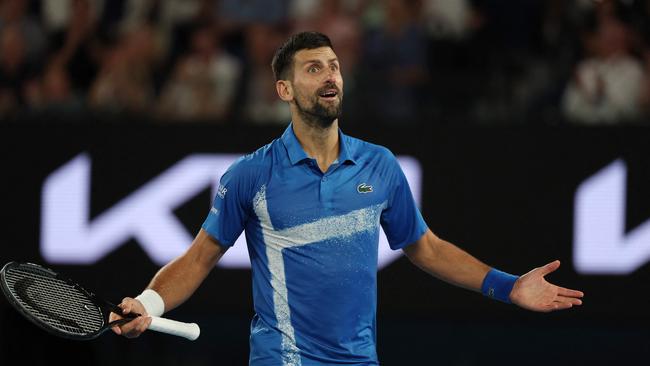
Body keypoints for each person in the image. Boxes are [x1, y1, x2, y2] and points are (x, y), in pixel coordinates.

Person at [110, 31, 584, 365]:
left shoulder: (380, 166)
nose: (329, 76)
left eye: (333, 66)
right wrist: (149, 305)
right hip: (284, 360)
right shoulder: (251, 175)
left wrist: (508, 286)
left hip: (359, 360)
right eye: (313, 69)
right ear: (285, 89)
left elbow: (427, 248)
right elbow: (197, 260)